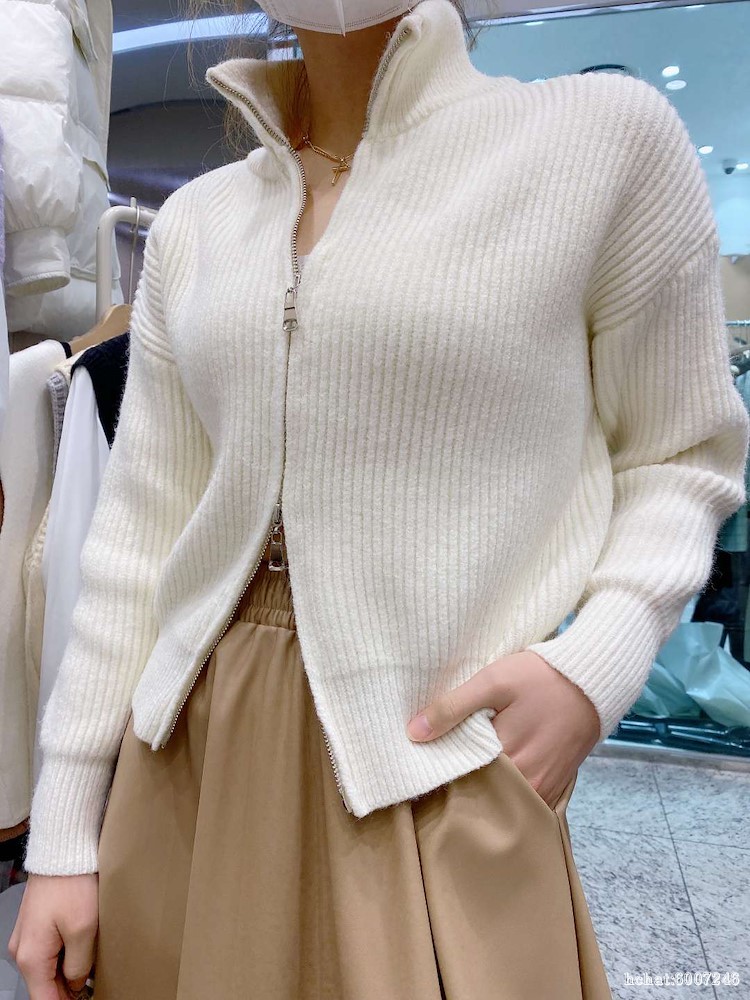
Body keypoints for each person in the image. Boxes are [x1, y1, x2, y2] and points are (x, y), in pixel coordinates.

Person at [9, 0, 749, 997]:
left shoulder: (598, 143)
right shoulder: (200, 220)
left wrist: (594, 664)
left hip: (434, 755)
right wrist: (63, 831)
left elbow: (680, 453)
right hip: (187, 752)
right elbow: (138, 536)